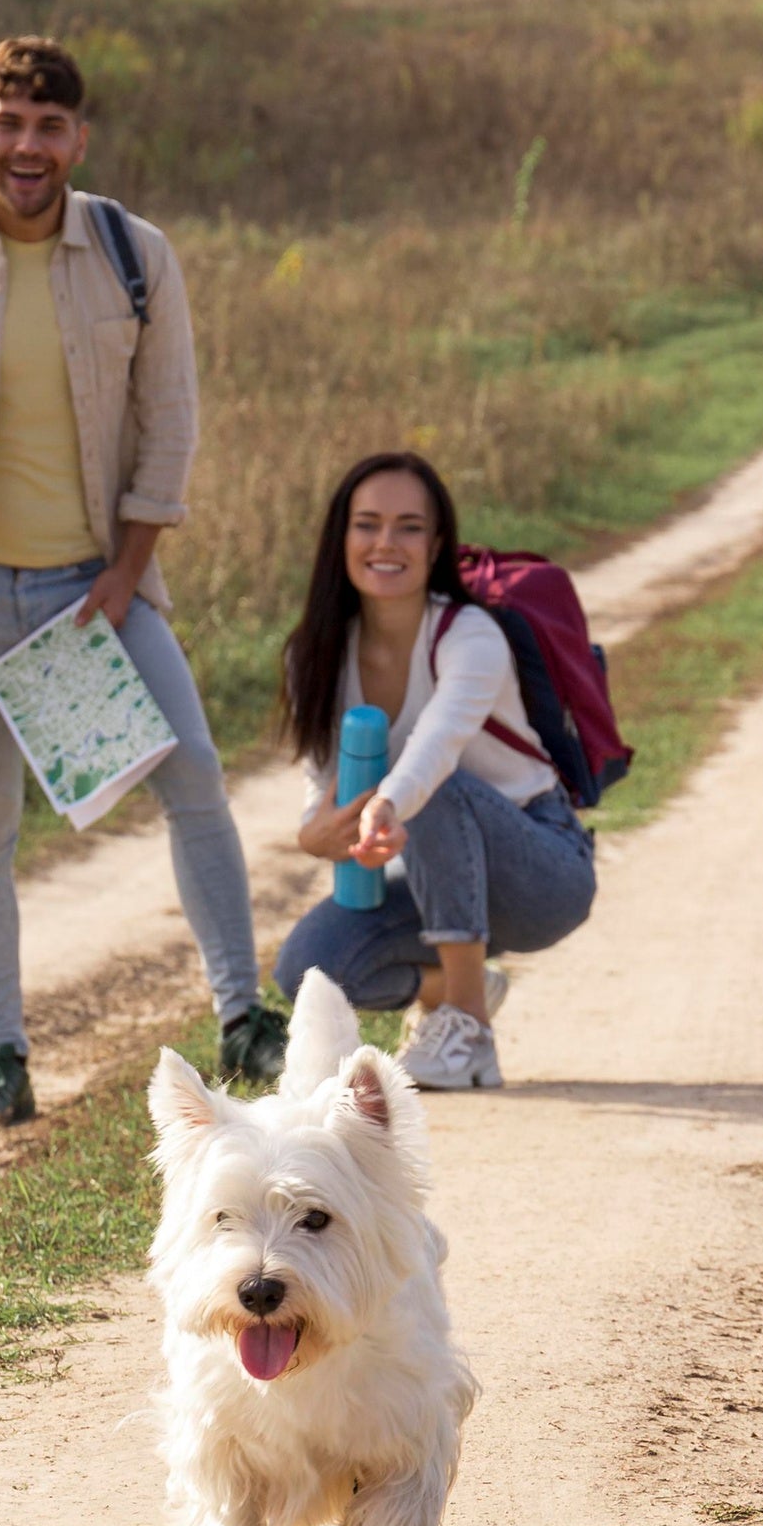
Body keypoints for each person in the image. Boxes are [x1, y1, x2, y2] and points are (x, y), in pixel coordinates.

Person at [0, 34, 287, 1125]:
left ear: (77, 138)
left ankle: (242, 1017)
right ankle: (0, 1052)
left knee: (193, 783)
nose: (27, 146)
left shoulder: (137, 255)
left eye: (49, 126)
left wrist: (129, 573)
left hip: (100, 590)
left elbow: (167, 425)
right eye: (8, 123)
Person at [273, 451, 597, 1090]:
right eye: (367, 524)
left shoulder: (469, 634)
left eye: (409, 526)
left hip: (541, 871)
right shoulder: (313, 653)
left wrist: (387, 807)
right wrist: (314, 832)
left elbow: (435, 749)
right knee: (309, 969)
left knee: (435, 793)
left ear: (437, 542)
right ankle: (456, 984)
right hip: (430, 874)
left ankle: (469, 1029)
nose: (385, 543)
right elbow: (322, 790)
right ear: (341, 538)